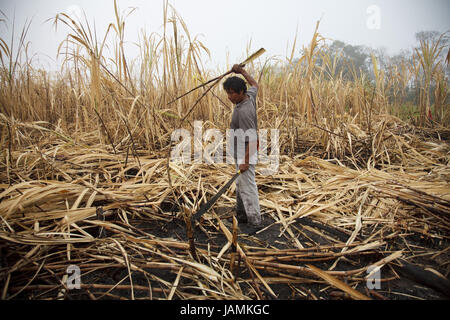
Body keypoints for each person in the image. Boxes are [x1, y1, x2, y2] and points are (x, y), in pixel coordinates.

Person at [223, 64, 262, 231]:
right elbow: (255, 84)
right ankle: (242, 214)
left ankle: (254, 222)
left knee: (247, 186)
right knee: (241, 184)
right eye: (228, 93)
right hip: (241, 151)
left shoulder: (244, 111)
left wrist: (245, 161)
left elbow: (253, 139)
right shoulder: (249, 96)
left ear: (240, 92)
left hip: (246, 151)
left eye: (232, 93)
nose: (229, 96)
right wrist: (242, 72)